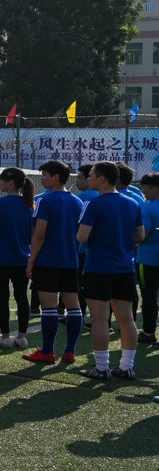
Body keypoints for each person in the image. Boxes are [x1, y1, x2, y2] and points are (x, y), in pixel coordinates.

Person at [76, 161, 145, 381]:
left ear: (102, 179)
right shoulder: (133, 203)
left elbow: (81, 237)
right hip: (125, 267)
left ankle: (102, 367)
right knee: (126, 319)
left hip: (99, 267)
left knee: (99, 318)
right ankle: (126, 367)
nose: (89, 179)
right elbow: (139, 237)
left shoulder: (94, 204)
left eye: (92, 176)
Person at [24, 160, 85, 364]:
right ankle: (69, 351)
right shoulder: (77, 201)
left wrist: (31, 261)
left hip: (48, 261)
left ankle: (48, 351)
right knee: (73, 306)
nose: (42, 178)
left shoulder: (46, 201)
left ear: (56, 177)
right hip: (71, 261)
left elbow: (39, 234)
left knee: (48, 307)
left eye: (44, 175)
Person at [0, 167, 34, 349]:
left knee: (3, 296)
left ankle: (5, 336)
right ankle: (21, 337)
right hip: (23, 258)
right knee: (22, 296)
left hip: (0, 258)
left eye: (2, 180)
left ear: (10, 183)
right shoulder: (30, 204)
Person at [139, 172, 159, 346]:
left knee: (149, 297)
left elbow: (141, 236)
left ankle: (148, 332)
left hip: (149, 259)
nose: (143, 192)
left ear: (155, 188)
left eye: (145, 188)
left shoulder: (149, 207)